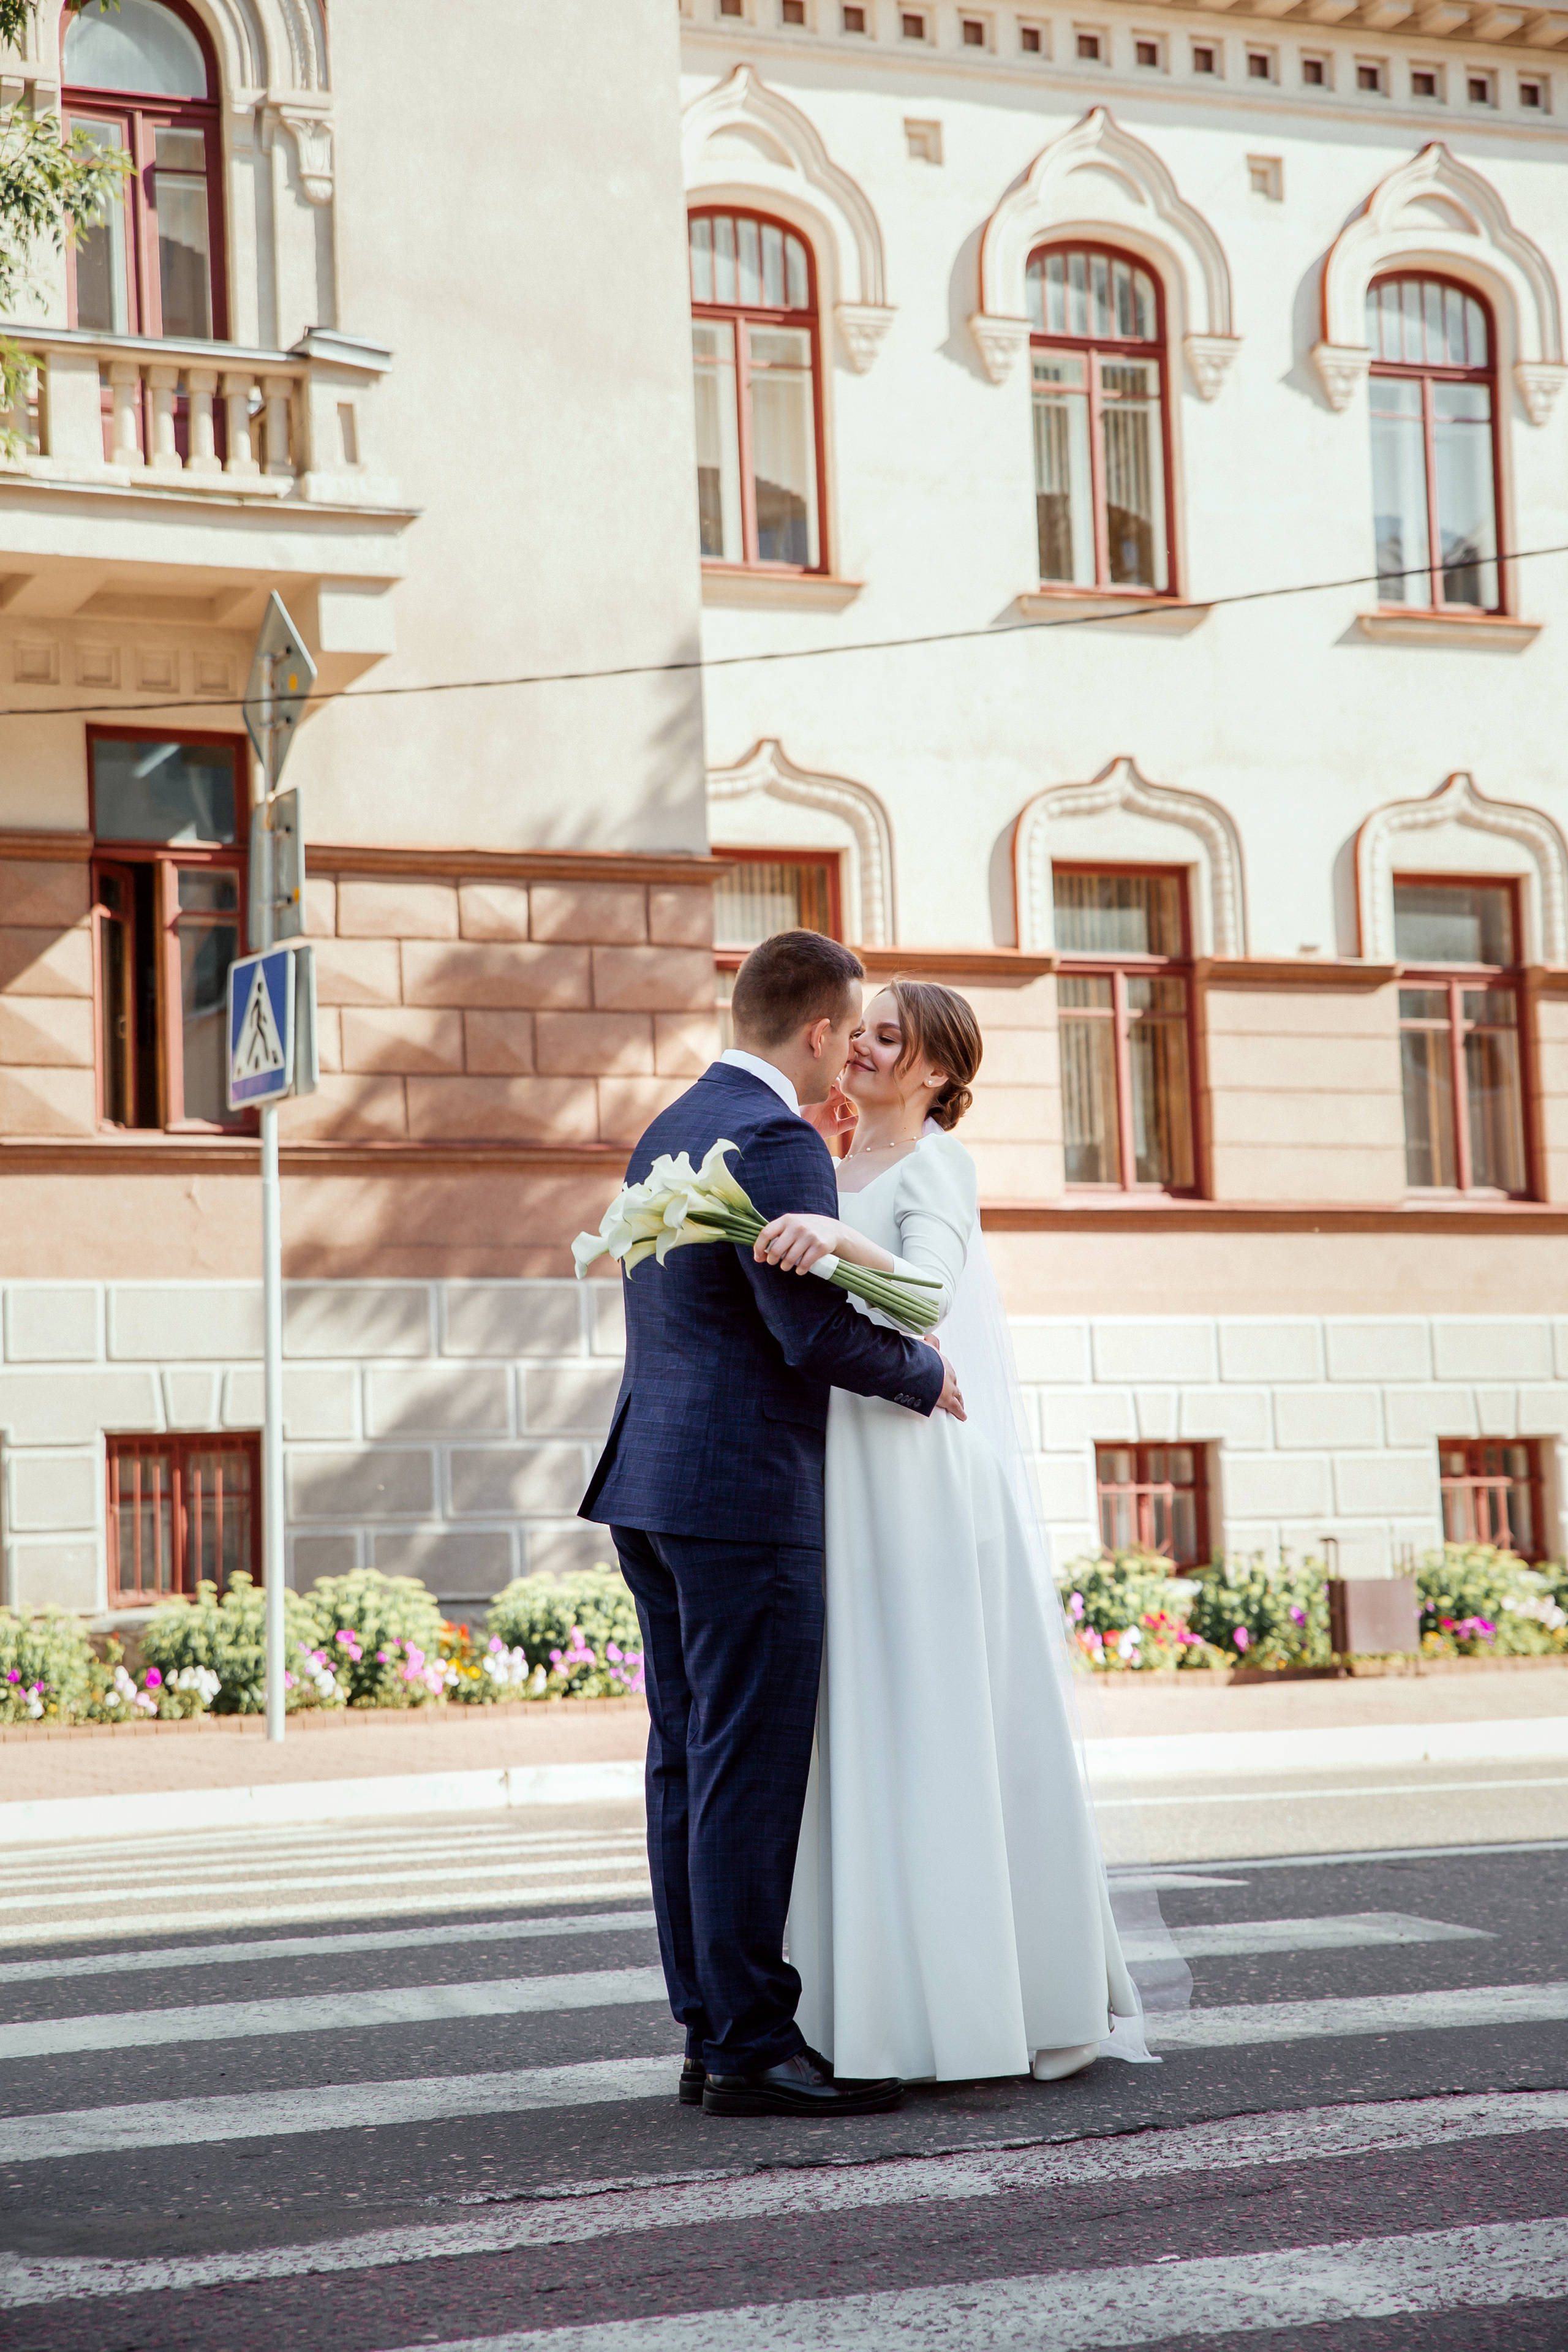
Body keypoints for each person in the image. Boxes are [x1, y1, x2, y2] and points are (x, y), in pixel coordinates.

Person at [579, 931, 965, 2119]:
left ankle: (707, 2032)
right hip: (741, 1494)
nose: (856, 1054)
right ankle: (752, 2041)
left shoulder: (670, 1122)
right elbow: (805, 1329)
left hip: (650, 1480)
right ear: (814, 1033)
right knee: (744, 1771)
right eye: (851, 1036)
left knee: (685, 1767)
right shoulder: (782, 1138)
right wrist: (921, 1372)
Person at [755, 978, 1156, 2083]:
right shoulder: (828, 1165)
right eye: (864, 1031)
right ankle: (884, 2007)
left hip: (921, 1474)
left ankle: (1001, 2003)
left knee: (938, 1720)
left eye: (892, 1037)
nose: (865, 1047)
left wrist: (837, 1241)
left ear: (935, 1071)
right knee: (870, 1726)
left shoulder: (936, 1166)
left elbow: (930, 1292)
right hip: (850, 1467)